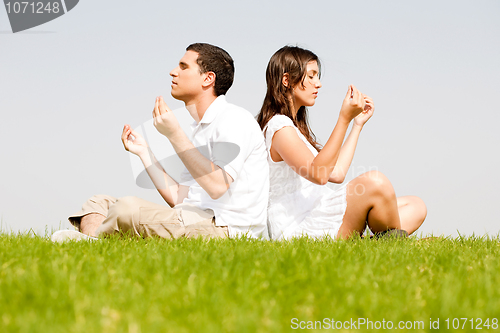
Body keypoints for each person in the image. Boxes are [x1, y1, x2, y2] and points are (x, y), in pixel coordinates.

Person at [54, 43, 269, 241]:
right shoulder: (198, 129)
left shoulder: (234, 119)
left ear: (207, 79)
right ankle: (95, 242)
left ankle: (94, 240)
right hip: (189, 217)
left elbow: (217, 186)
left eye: (184, 67)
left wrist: (174, 134)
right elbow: (180, 199)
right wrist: (145, 153)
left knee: (126, 208)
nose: (173, 72)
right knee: (98, 203)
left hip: (223, 228)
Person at [256, 46, 426, 240]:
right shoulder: (279, 126)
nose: (318, 84)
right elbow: (319, 175)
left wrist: (356, 125)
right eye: (311, 76)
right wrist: (343, 119)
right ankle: (386, 241)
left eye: (317, 76)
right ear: (286, 80)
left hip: (319, 211)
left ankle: (373, 243)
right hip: (301, 225)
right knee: (375, 182)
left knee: (415, 205)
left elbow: (336, 174)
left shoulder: (294, 127)